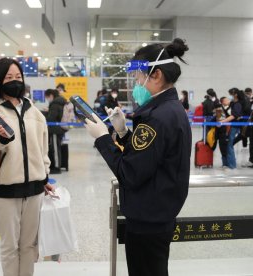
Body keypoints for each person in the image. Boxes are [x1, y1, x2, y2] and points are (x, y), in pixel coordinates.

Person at [84, 38, 191, 276]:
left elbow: (130, 173)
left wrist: (102, 138)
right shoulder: (170, 109)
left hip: (148, 218)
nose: (136, 82)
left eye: (139, 76)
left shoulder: (157, 117)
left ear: (157, 75)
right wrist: (123, 133)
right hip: (158, 212)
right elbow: (149, 157)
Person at [0, 58, 54, 276]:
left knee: (29, 246)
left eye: (18, 77)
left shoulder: (33, 111)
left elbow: (42, 149)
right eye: (9, 77)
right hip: (3, 190)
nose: (14, 81)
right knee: (10, 247)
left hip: (34, 189)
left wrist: (44, 177)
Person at [219, 88, 244, 169]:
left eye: (230, 95)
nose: (229, 98)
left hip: (234, 126)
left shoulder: (238, 104)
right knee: (227, 145)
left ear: (235, 95)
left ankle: (232, 165)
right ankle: (227, 163)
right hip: (229, 126)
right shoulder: (233, 103)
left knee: (229, 145)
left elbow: (234, 115)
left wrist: (223, 121)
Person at [44, 88, 67, 174]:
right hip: (60, 128)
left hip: (55, 129)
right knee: (56, 147)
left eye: (47, 97)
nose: (47, 100)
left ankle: (57, 167)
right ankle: (56, 165)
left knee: (55, 148)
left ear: (51, 96)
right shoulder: (61, 101)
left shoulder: (54, 104)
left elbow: (51, 118)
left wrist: (46, 114)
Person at [217, 97, 231, 168]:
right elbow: (219, 120)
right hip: (222, 132)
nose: (229, 101)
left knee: (227, 147)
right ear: (222, 102)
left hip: (228, 130)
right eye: (227, 100)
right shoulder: (219, 110)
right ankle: (225, 163)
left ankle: (228, 163)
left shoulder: (230, 108)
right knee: (223, 147)